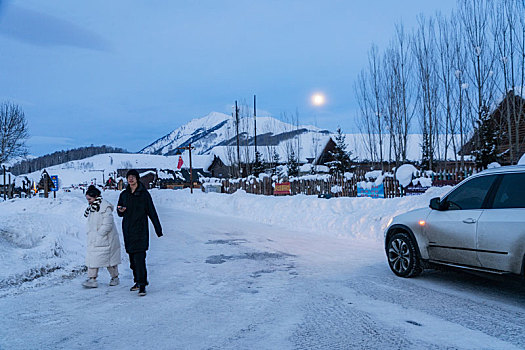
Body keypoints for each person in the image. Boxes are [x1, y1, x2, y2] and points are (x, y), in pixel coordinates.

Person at [117, 169, 163, 296]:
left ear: (137, 178)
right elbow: (119, 211)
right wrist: (120, 210)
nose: (131, 179)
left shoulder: (144, 194)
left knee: (140, 258)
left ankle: (142, 285)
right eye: (129, 177)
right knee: (132, 260)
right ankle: (138, 281)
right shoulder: (124, 194)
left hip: (141, 230)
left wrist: (158, 229)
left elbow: (152, 212)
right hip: (128, 230)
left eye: (133, 177)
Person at [82, 185, 121, 288]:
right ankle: (92, 279)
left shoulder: (104, 207)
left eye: (90, 199)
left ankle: (115, 277)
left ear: (95, 197)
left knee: (110, 261)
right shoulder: (93, 207)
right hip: (95, 239)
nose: (88, 201)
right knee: (93, 259)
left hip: (106, 239)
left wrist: (100, 235)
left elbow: (108, 224)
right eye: (87, 199)